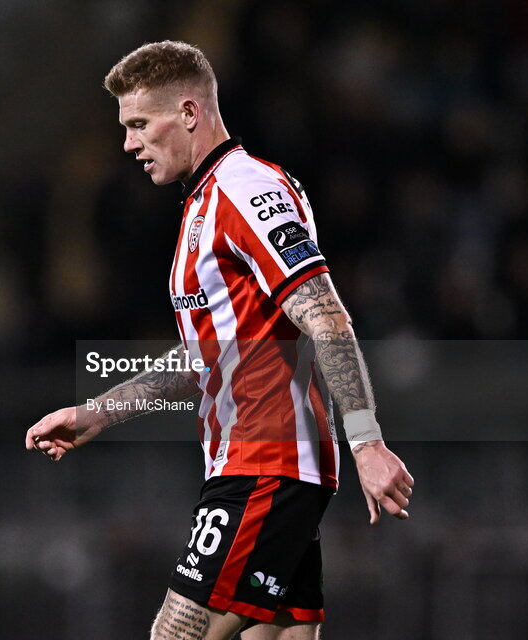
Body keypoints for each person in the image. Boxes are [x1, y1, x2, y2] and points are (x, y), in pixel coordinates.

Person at [25, 41, 414, 640]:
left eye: (138, 124)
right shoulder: (201, 206)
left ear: (187, 113)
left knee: (174, 636)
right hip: (261, 465)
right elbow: (208, 354)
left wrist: (366, 441)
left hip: (265, 464)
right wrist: (98, 413)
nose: (128, 143)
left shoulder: (246, 190)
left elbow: (325, 315)